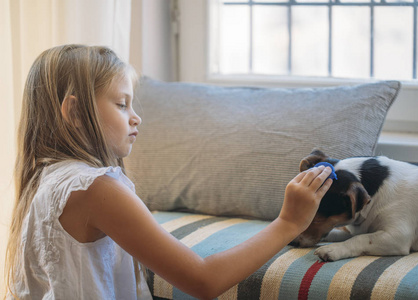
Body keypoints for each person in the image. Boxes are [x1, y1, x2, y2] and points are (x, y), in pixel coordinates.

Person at [5, 44, 333, 299]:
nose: (136, 118)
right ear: (75, 111)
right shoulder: (94, 187)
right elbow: (204, 280)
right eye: (122, 104)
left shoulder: (46, 178)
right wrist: (289, 222)